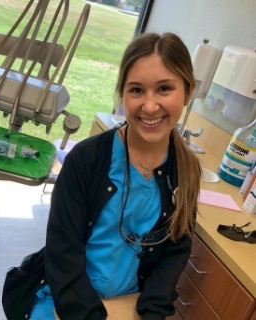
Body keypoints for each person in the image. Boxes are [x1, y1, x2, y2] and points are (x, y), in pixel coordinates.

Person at [30, 32, 201, 320]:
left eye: (164, 89)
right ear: (122, 93)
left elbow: (174, 253)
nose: (149, 106)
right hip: (68, 298)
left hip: (132, 303)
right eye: (136, 90)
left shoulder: (186, 169)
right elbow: (63, 253)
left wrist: (152, 312)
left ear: (188, 91)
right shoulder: (87, 160)